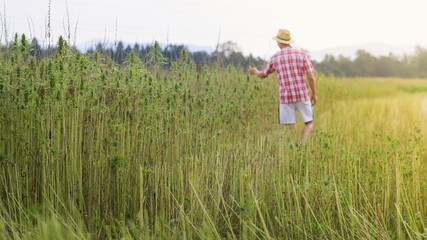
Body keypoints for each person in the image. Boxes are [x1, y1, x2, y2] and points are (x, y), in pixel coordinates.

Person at [248, 29, 317, 143]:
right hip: (302, 95)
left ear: (279, 42)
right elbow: (310, 77)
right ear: (289, 42)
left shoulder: (275, 58)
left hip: (285, 98)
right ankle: (301, 144)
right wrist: (314, 93)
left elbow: (263, 74)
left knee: (290, 127)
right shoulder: (302, 55)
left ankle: (291, 148)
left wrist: (255, 71)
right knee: (309, 123)